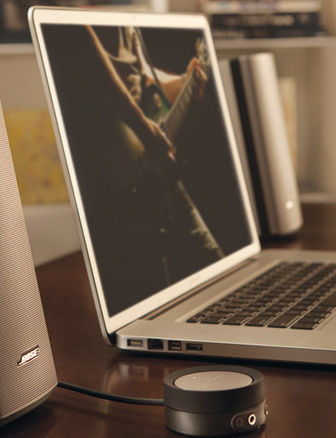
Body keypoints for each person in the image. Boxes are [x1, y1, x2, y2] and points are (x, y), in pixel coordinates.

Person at [43, 24, 224, 312]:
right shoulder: (76, 18)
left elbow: (137, 78)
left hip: (151, 166)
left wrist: (183, 81)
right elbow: (91, 62)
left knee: (213, 271)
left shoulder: (123, 24)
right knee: (151, 297)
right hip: (118, 178)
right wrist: (144, 129)